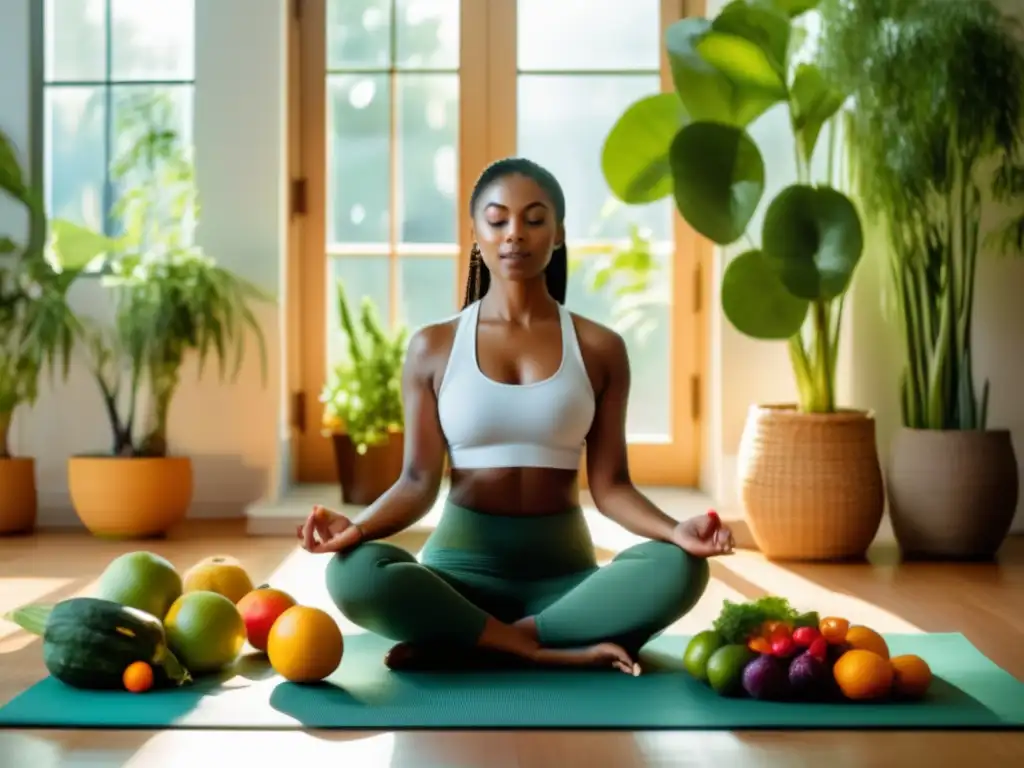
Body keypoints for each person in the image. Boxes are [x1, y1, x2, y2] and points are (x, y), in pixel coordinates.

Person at [298, 157, 734, 676]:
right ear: (476, 231)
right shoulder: (433, 347)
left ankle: (479, 641)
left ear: (559, 232)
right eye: (497, 219)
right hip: (456, 580)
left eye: (533, 219)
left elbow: (612, 486)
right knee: (355, 575)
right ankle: (534, 646)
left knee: (680, 569)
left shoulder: (600, 348)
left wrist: (675, 531)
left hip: (565, 583)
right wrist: (359, 530)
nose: (514, 235)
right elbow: (417, 482)